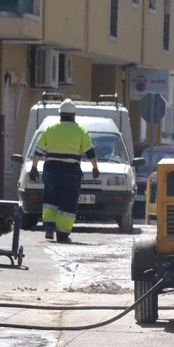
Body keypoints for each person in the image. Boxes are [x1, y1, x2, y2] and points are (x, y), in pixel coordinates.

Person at [30, 100, 99, 243]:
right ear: (74, 115)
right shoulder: (80, 131)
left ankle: (49, 226)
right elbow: (90, 152)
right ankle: (62, 234)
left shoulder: (50, 129)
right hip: (70, 171)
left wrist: (34, 167)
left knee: (50, 198)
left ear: (60, 114)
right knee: (68, 202)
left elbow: (38, 151)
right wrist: (95, 168)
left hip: (51, 169)